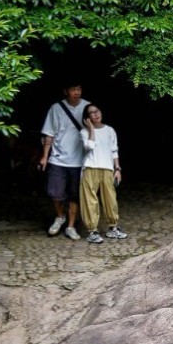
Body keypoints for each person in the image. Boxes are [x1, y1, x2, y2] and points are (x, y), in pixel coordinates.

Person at [39, 81, 88, 238]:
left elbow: (96, 132)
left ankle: (71, 226)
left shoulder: (88, 107)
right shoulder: (56, 108)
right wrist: (45, 156)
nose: (77, 92)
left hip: (79, 160)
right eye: (73, 89)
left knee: (75, 195)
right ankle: (60, 216)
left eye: (79, 88)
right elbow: (49, 133)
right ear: (65, 91)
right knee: (55, 193)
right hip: (57, 159)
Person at [78, 106, 125, 243]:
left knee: (110, 199)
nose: (95, 114)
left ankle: (113, 228)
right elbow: (89, 147)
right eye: (91, 113)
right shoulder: (84, 132)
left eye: (97, 111)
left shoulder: (110, 130)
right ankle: (92, 231)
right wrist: (91, 129)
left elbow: (114, 150)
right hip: (90, 168)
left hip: (107, 168)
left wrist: (117, 168)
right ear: (87, 118)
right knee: (90, 200)